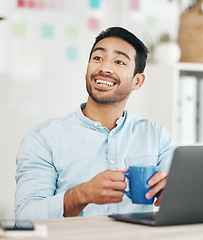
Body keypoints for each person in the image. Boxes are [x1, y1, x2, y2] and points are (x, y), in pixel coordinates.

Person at [15, 27, 176, 219]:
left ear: (137, 81)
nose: (105, 68)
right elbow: (24, 217)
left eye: (119, 61)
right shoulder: (43, 139)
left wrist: (176, 191)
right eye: (97, 58)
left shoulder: (156, 136)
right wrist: (81, 194)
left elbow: (188, 197)